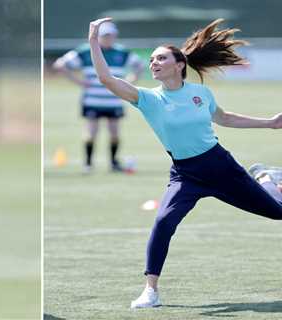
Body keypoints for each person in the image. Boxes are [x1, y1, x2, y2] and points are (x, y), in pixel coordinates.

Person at [88, 17, 282, 308]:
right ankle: (150, 291)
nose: (154, 63)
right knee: (164, 222)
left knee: (277, 213)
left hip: (221, 167)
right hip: (185, 175)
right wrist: (93, 40)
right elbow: (107, 79)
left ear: (179, 65)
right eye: (152, 59)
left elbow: (225, 118)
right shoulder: (147, 99)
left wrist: (269, 123)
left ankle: (266, 178)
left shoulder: (201, 93)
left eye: (161, 58)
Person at [53, 21, 144, 172]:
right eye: (105, 36)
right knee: (91, 133)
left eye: (111, 36)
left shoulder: (122, 52)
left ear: (115, 36)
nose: (108, 39)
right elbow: (60, 64)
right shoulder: (85, 51)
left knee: (114, 133)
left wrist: (130, 82)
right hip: (92, 100)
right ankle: (88, 163)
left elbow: (139, 65)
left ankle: (114, 163)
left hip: (114, 101)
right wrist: (78, 81)